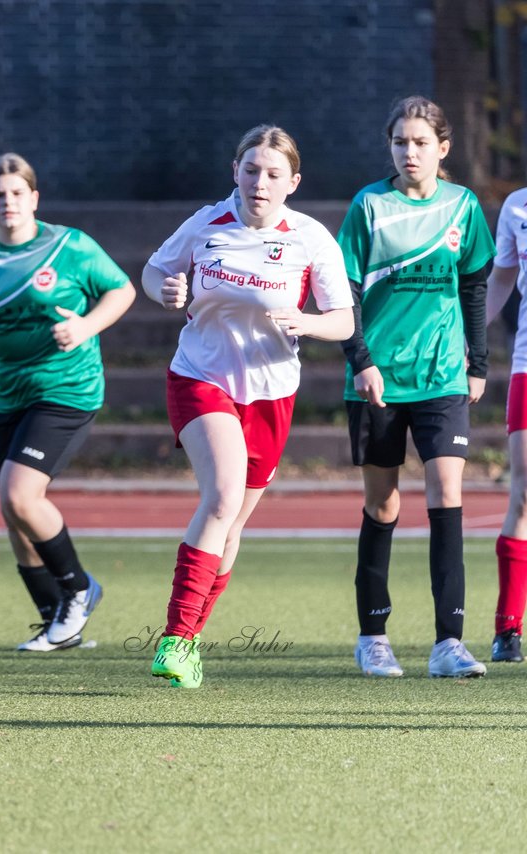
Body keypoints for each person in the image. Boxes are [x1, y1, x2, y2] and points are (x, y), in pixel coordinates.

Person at [141, 125, 354, 688]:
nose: (260, 182)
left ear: (293, 182)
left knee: (232, 521)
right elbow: (156, 270)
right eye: (252, 170)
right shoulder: (206, 222)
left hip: (272, 394)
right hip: (201, 378)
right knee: (222, 499)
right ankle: (177, 638)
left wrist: (307, 322)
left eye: (273, 174)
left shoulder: (311, 238)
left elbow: (344, 319)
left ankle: (192, 642)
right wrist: (163, 288)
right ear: (235, 170)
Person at [0, 153, 135, 652]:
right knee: (13, 512)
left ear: (34, 199)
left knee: (20, 496)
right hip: (11, 395)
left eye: (17, 193)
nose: (7, 203)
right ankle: (57, 621)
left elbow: (122, 290)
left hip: (68, 390)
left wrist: (86, 325)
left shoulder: (70, 247)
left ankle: (80, 589)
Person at [339, 96, 495, 679]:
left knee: (446, 494)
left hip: (442, 377)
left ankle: (448, 643)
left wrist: (477, 363)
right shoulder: (369, 206)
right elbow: (344, 293)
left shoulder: (463, 206)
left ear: (442, 148)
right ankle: (372, 635)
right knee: (382, 502)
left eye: (421, 142)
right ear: (391, 148)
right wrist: (360, 360)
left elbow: (475, 285)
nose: (410, 152)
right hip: (378, 378)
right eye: (401, 142)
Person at [477, 185, 527, 662]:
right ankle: (508, 628)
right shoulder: (517, 206)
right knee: (525, 493)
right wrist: (465, 337)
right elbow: (501, 280)